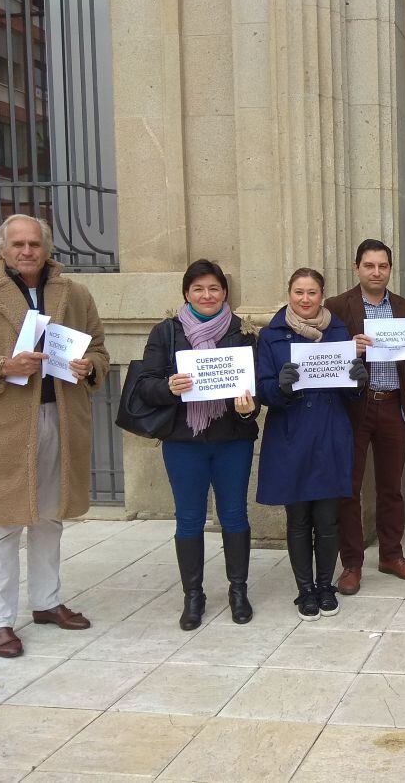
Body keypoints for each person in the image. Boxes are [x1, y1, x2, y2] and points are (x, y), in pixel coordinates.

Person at [0, 214, 109, 658]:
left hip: (59, 415)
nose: (27, 251)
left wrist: (90, 367)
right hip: (4, 426)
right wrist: (3, 367)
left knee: (49, 516)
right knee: (3, 524)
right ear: (2, 248)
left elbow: (99, 349)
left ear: (47, 248)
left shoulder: (75, 294)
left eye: (35, 244)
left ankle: (46, 602)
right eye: (18, 244)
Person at [136, 259, 259, 631]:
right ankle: (194, 596)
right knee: (189, 518)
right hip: (184, 441)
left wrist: (247, 408)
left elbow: (255, 390)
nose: (207, 295)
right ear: (186, 294)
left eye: (214, 289)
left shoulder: (243, 331)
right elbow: (145, 384)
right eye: (198, 289)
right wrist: (167, 387)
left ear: (225, 293)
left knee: (235, 515)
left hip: (231, 440)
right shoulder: (167, 332)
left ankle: (238, 591)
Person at [256, 268, 368, 619]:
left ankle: (325, 586)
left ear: (322, 295)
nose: (305, 299)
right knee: (299, 519)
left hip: (331, 434)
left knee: (328, 518)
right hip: (291, 437)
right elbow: (262, 389)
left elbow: (350, 390)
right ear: (289, 293)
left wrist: (358, 381)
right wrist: (281, 387)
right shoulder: (271, 335)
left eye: (313, 293)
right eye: (299, 292)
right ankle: (304, 590)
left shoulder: (337, 331)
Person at [325, 239, 405, 594]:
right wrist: (346, 348)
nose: (376, 272)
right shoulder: (337, 307)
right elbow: (323, 359)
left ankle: (391, 555)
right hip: (355, 407)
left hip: (393, 406)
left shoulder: (404, 308)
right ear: (357, 267)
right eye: (369, 265)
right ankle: (351, 564)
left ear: (390, 269)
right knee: (348, 489)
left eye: (382, 266)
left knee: (391, 488)